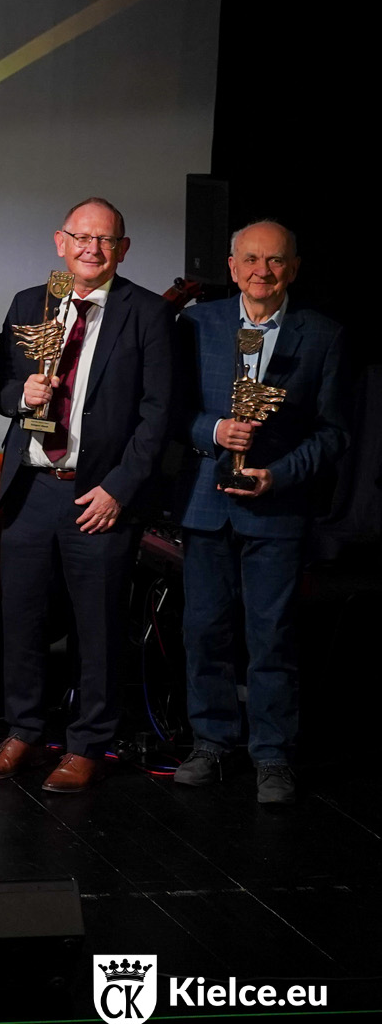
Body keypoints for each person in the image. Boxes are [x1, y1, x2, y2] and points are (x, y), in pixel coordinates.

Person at [0, 198, 173, 793]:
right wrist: (22, 396)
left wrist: (119, 489)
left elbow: (158, 414)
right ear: (60, 242)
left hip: (98, 496)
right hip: (31, 488)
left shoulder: (148, 314)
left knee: (99, 628)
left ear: (122, 249)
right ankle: (23, 731)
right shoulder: (28, 303)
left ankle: (87, 743)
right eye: (81, 237)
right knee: (23, 620)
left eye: (105, 239)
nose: (92, 248)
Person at [172, 220, 348, 804]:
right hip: (206, 506)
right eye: (250, 259)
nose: (261, 271)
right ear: (231, 266)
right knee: (204, 632)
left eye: (274, 261)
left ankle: (272, 753)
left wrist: (279, 474)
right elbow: (171, 413)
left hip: (277, 510)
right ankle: (211, 742)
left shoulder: (322, 335)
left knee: (271, 637)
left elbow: (333, 433)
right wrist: (214, 430)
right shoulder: (198, 324)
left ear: (292, 269)